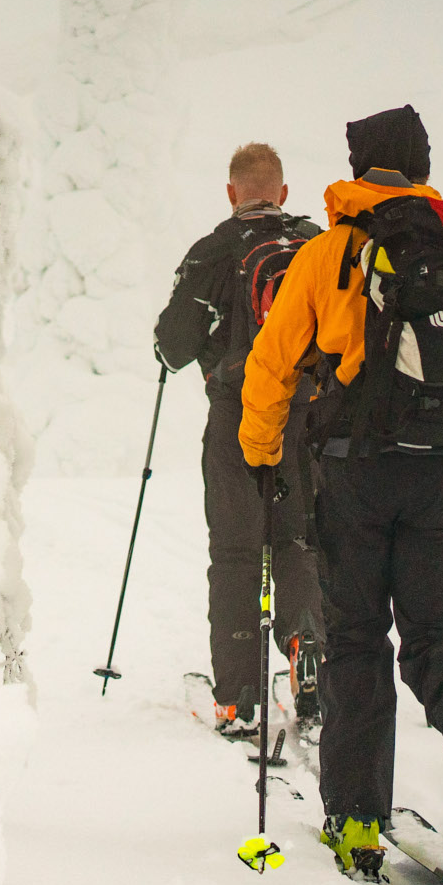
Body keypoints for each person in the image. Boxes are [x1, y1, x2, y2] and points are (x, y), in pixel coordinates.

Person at [236, 106, 443, 881]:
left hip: (357, 474)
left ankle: (359, 819)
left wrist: (262, 454)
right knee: (440, 630)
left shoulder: (332, 252)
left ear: (357, 163)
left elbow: (271, 366)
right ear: (422, 163)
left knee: (357, 637)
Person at [154, 143, 322, 740]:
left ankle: (239, 698)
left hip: (236, 416)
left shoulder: (212, 251)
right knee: (300, 538)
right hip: (309, 418)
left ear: (232, 193)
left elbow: (173, 348)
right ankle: (308, 645)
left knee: (235, 552)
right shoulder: (313, 243)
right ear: (281, 190)